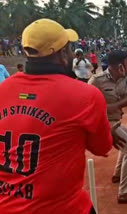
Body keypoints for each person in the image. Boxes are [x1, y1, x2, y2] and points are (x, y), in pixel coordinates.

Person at [0, 18, 116, 214]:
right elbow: (102, 147)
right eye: (69, 49)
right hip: (62, 208)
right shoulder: (85, 95)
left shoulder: (3, 88)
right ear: (62, 54)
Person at [88, 50, 127, 204]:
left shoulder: (126, 77)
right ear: (119, 66)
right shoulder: (96, 81)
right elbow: (87, 106)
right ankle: (124, 192)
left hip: (115, 119)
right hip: (105, 123)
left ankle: (118, 174)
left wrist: (113, 106)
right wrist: (104, 125)